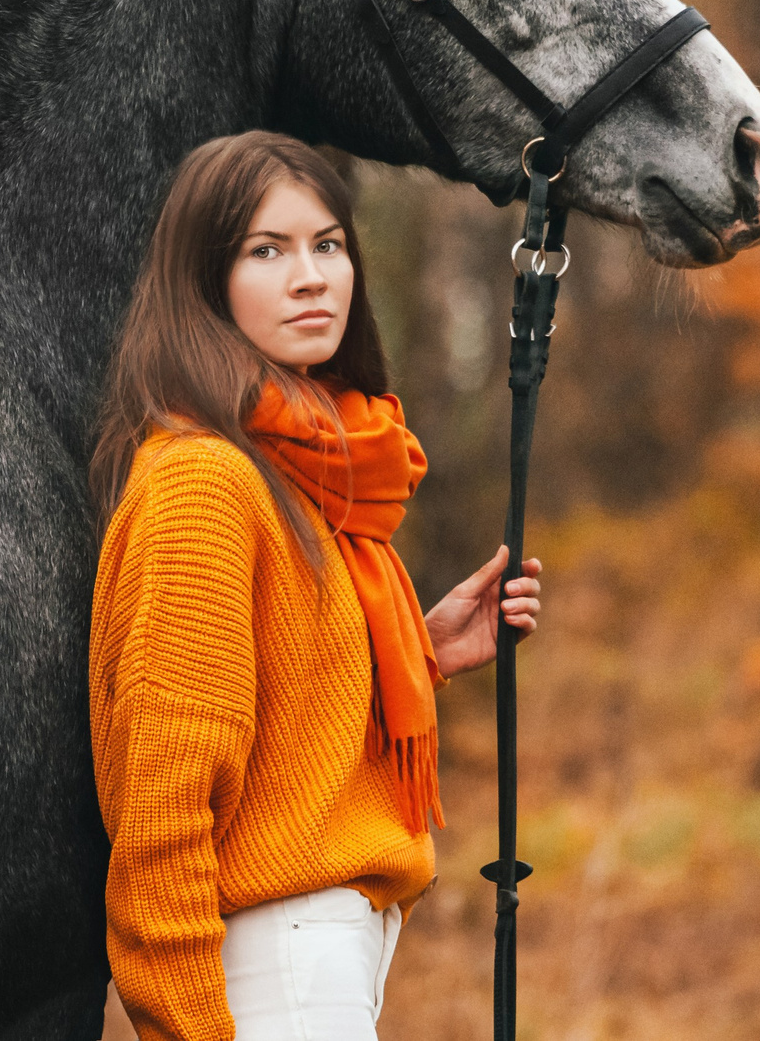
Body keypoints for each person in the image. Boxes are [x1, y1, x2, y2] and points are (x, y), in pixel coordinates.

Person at [89, 130, 543, 1041]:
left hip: (328, 955)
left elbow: (283, 724)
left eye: (328, 244)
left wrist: (416, 649)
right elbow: (161, 810)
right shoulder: (204, 479)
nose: (312, 276)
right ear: (203, 281)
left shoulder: (302, 473)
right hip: (275, 966)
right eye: (268, 250)